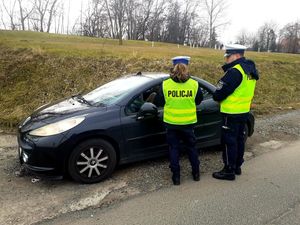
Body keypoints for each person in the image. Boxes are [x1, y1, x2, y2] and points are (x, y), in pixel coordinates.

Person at [212, 44, 259, 181]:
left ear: (237, 55)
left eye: (228, 56)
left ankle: (228, 170)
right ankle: (237, 166)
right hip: (244, 111)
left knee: (229, 141)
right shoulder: (250, 70)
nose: (226, 59)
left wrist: (217, 96)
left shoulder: (235, 71)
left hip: (231, 113)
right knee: (239, 140)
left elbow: (219, 94)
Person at [156, 56, 203, 185]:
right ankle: (196, 174)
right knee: (192, 148)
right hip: (188, 124)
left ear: (173, 67)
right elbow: (199, 100)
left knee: (174, 149)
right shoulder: (194, 84)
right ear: (187, 67)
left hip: (172, 124)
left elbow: (159, 102)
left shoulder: (166, 84)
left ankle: (176, 178)